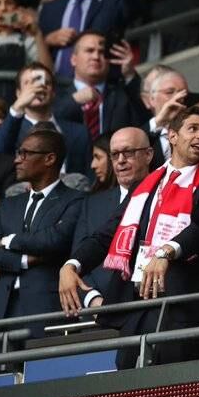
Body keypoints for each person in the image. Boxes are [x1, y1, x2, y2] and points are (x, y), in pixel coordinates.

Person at [61, 105, 199, 369]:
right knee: (128, 379)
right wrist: (72, 265)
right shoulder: (147, 184)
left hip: (180, 305)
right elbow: (107, 233)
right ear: (172, 136)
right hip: (137, 302)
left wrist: (165, 252)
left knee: (173, 383)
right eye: (193, 129)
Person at [0, 128, 84, 339]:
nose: (17, 160)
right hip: (1, 311)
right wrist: (23, 260)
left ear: (49, 159)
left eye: (25, 153)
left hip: (46, 310)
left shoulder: (76, 200)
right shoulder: (9, 205)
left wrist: (10, 240)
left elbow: (56, 239)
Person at [70, 126, 153, 312]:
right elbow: (79, 257)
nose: (121, 160)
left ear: (148, 155)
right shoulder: (92, 204)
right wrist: (94, 300)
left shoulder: (165, 195)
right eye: (115, 155)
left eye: (128, 152)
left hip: (151, 306)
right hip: (99, 313)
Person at [0, 63, 91, 173]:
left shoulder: (79, 132)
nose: (39, 88)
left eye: (46, 82)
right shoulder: (8, 131)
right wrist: (18, 106)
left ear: (53, 92)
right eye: (29, 83)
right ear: (18, 93)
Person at [53, 31, 149, 140]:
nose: (96, 57)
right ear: (73, 59)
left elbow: (145, 117)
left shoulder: (122, 93)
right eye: (90, 51)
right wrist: (73, 101)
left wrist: (129, 74)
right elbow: (45, 121)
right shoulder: (55, 92)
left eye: (102, 52)